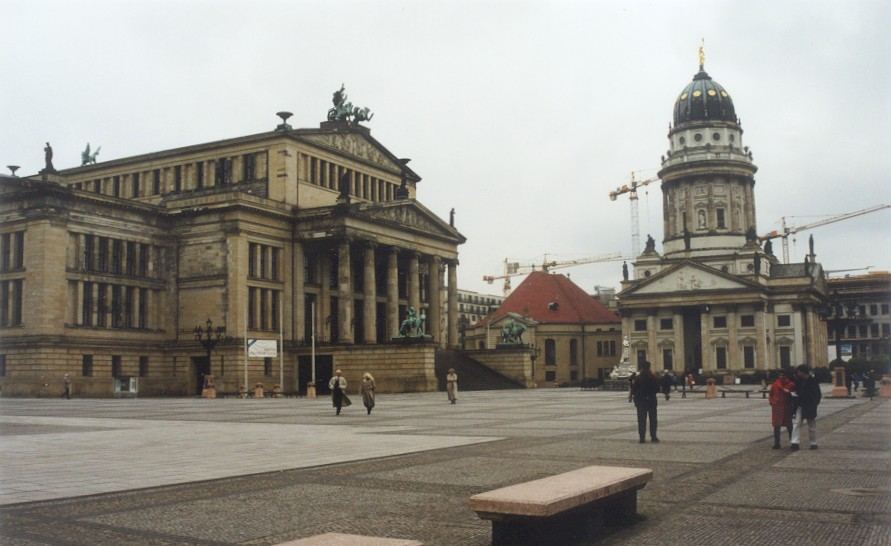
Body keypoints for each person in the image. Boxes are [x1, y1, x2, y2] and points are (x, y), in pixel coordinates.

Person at [790, 364, 821, 450]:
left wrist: (814, 404)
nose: (797, 373)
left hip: (809, 405)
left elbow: (817, 394)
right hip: (800, 405)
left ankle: (813, 442)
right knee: (796, 423)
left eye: (799, 372)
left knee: (811, 425)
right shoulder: (798, 380)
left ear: (803, 372)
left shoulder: (813, 381)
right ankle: (794, 442)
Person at [630, 361, 659, 443]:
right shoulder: (653, 377)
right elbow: (657, 389)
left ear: (642, 367)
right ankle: (653, 436)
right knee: (653, 419)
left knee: (641, 420)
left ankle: (642, 438)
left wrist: (636, 398)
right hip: (651, 401)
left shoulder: (638, 378)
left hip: (641, 401)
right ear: (649, 367)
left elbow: (634, 389)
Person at [768, 369, 795, 449]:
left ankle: (793, 442)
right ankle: (777, 443)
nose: (781, 377)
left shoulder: (791, 384)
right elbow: (771, 394)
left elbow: (793, 395)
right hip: (777, 407)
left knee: (789, 425)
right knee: (776, 426)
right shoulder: (775, 384)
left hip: (786, 407)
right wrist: (772, 402)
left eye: (783, 375)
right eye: (780, 375)